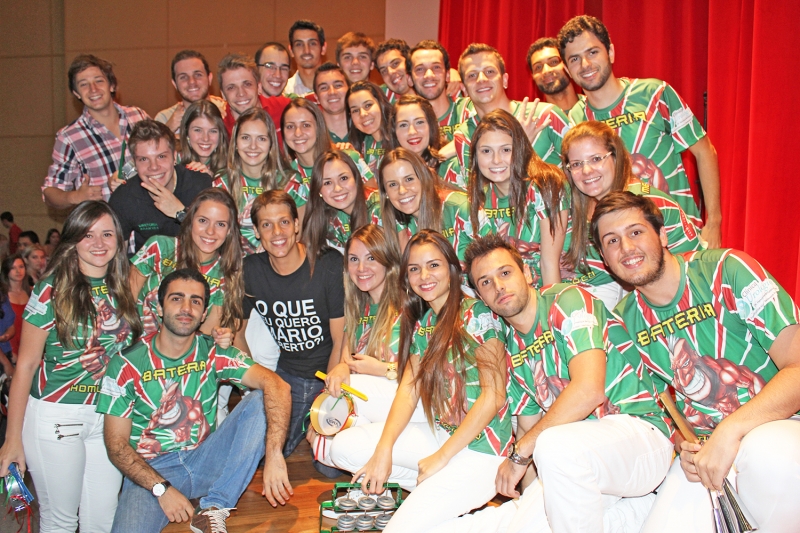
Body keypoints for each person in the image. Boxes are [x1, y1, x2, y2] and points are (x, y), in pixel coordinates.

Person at [592, 192, 800, 533]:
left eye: (636, 232)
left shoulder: (726, 270)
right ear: (604, 258)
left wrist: (730, 430)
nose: (626, 248)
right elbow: (659, 413)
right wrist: (682, 444)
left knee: (771, 458)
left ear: (662, 235)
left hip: (779, 424)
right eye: (612, 241)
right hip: (708, 451)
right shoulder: (623, 323)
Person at [436, 234, 672, 533]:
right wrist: (526, 497)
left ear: (527, 273)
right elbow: (528, 427)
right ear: (481, 297)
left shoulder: (567, 300)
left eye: (505, 273)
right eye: (485, 282)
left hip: (641, 437)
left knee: (552, 444)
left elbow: (588, 391)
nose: (498, 286)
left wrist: (519, 454)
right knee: (516, 525)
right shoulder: (510, 348)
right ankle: (641, 513)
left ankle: (643, 507)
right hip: (578, 459)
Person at [330, 230, 509, 532]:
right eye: (414, 268)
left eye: (433, 265)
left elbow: (494, 396)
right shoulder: (425, 322)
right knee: (342, 448)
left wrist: (441, 457)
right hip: (442, 434)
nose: (424, 276)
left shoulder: (477, 314)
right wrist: (384, 450)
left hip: (481, 450)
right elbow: (408, 390)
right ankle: (435, 499)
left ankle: (497, 518)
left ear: (452, 269)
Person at [99, 268, 293, 533]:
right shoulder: (125, 365)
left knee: (262, 398)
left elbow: (278, 385)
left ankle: (215, 507)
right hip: (152, 469)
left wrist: (274, 455)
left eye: (196, 301)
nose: (186, 308)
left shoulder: (214, 351)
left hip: (206, 459)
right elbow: (116, 445)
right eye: (176, 298)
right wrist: (161, 488)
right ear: (159, 307)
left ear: (203, 314)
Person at [0, 201, 141, 532]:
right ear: (73, 239)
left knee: (103, 521)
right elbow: (26, 365)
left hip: (109, 416)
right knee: (61, 522)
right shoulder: (51, 289)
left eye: (107, 234)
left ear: (119, 239)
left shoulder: (125, 286)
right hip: (57, 415)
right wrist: (12, 438)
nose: (98, 243)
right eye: (88, 234)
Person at [558, 15, 722, 248]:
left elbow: (705, 151)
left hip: (678, 237)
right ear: (567, 69)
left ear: (610, 52)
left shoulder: (655, 94)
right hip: (623, 249)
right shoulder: (573, 120)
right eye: (575, 59)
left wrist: (714, 222)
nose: (585, 65)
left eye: (592, 52)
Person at [234, 191, 344, 459]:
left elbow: (341, 340)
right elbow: (237, 332)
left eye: (284, 222)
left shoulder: (328, 264)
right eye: (266, 225)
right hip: (284, 377)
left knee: (328, 464)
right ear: (256, 232)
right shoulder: (251, 270)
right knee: (257, 453)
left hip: (327, 376)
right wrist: (257, 383)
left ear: (296, 225)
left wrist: (328, 400)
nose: (277, 232)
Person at [561, 121, 704, 310]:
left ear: (616, 157)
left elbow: (697, 266)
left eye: (596, 159)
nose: (586, 171)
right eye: (577, 164)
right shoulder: (574, 207)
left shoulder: (650, 203)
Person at [315, 226, 427, 465]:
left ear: (388, 261)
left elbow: (431, 373)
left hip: (417, 403)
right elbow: (346, 363)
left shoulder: (411, 304)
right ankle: (386, 480)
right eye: (354, 259)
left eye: (371, 258)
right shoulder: (358, 307)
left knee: (347, 391)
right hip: (376, 404)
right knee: (324, 447)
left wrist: (383, 369)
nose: (361, 268)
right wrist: (342, 368)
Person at [467, 109, 570, 288]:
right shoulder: (480, 198)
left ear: (520, 149)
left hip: (566, 285)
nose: (496, 160)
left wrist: (552, 306)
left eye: (506, 150)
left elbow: (549, 264)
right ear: (475, 156)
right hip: (517, 291)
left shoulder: (546, 184)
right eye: (486, 151)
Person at [452, 44, 571, 189]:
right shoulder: (464, 136)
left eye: (489, 71)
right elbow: (480, 193)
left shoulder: (546, 116)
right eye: (472, 75)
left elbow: (580, 170)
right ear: (464, 88)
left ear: (505, 80)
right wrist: (520, 144)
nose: (481, 79)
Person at [43, 55, 148, 209]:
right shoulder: (69, 137)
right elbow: (50, 192)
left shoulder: (138, 116)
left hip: (149, 219)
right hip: (106, 222)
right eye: (84, 84)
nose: (93, 89)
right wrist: (75, 196)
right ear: (77, 93)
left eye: (99, 81)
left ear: (112, 85)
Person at [108, 119, 212, 255]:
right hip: (147, 266)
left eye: (161, 156)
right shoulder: (124, 198)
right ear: (135, 163)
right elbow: (116, 256)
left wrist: (180, 214)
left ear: (174, 157)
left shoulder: (200, 185)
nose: (154, 167)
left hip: (195, 263)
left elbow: (215, 239)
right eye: (144, 159)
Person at [212, 108, 297, 255]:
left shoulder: (289, 182)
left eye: (261, 139)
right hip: (233, 261)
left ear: (271, 144)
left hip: (277, 261)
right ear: (235, 142)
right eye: (245, 138)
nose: (253, 146)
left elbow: (300, 234)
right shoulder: (220, 182)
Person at [378, 148, 479, 264]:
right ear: (385, 192)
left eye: (409, 179)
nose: (402, 190)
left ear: (424, 178)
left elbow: (492, 260)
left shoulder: (461, 208)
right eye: (392, 184)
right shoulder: (397, 226)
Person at [281, 98, 375, 203]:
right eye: (290, 126)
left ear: (319, 127)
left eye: (306, 125)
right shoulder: (287, 178)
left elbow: (375, 201)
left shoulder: (349, 157)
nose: (298, 133)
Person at [301, 149, 380, 256]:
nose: (337, 188)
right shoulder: (331, 219)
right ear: (319, 190)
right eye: (327, 183)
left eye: (343, 178)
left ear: (357, 179)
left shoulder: (379, 208)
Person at [410, 40, 475, 143]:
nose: (429, 75)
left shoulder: (468, 108)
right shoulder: (406, 122)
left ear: (448, 75)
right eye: (420, 69)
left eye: (436, 67)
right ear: (409, 79)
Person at [217, 53, 290, 143]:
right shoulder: (220, 130)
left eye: (247, 84)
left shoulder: (284, 109)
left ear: (259, 87)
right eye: (231, 87)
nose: (241, 93)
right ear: (223, 94)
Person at [154, 50, 226, 135]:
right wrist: (168, 130)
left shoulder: (227, 111)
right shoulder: (164, 119)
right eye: (183, 77)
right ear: (175, 84)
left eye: (198, 75)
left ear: (209, 78)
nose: (192, 82)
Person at [390, 95, 454, 181]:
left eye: (419, 122)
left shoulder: (451, 166)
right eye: (403, 125)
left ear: (431, 125)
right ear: (394, 131)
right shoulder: (391, 170)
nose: (412, 131)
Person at [347, 81, 394, 173]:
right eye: (355, 110)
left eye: (368, 105)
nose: (362, 114)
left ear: (381, 104)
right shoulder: (364, 144)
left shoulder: (400, 138)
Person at [526, 37, 578, 113]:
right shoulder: (535, 118)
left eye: (554, 62)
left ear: (567, 65)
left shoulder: (593, 104)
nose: (546, 71)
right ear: (533, 76)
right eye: (538, 67)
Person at [177, 100, 229, 176]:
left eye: (213, 131)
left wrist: (212, 180)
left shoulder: (233, 165)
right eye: (198, 130)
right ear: (186, 132)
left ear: (221, 133)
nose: (206, 138)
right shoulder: (172, 162)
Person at [285, 19, 327, 98]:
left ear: (323, 48)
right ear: (291, 51)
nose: (306, 51)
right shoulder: (284, 92)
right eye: (299, 44)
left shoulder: (337, 90)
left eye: (312, 43)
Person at [0, 255, 29, 364]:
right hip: (9, 347)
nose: (18, 271)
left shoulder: (31, 292)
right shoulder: (3, 296)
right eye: (13, 268)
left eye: (21, 267)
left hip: (28, 344)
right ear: (6, 271)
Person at [314, 62, 351, 143]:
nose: (332, 92)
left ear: (349, 91)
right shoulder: (312, 134)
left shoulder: (365, 127)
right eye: (324, 88)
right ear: (316, 97)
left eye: (338, 85)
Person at [375, 39, 415, 103]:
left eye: (395, 64)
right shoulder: (380, 98)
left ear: (409, 62)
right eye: (384, 71)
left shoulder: (429, 88)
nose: (390, 72)